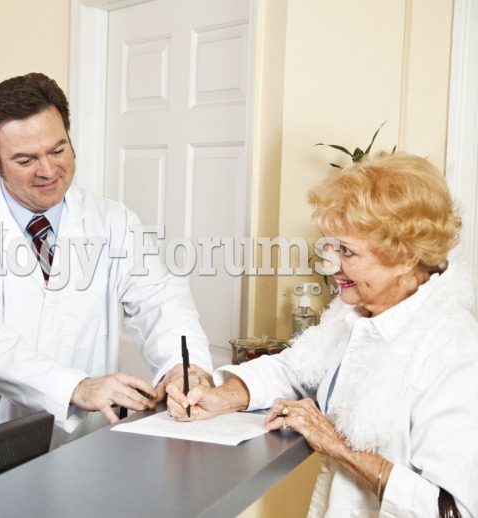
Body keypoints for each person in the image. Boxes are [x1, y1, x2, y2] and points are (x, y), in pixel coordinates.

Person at [166, 151, 478, 515]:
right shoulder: (356, 313)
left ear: (406, 256)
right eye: (330, 246)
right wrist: (224, 395)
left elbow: (454, 509)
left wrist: (337, 445)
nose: (330, 265)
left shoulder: (452, 351)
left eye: (347, 251)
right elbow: (296, 370)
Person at [0, 72, 214, 447]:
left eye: (58, 150)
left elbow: (160, 301)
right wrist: (77, 387)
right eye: (26, 159)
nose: (47, 170)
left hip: (76, 442)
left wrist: (182, 368)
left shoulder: (113, 222)